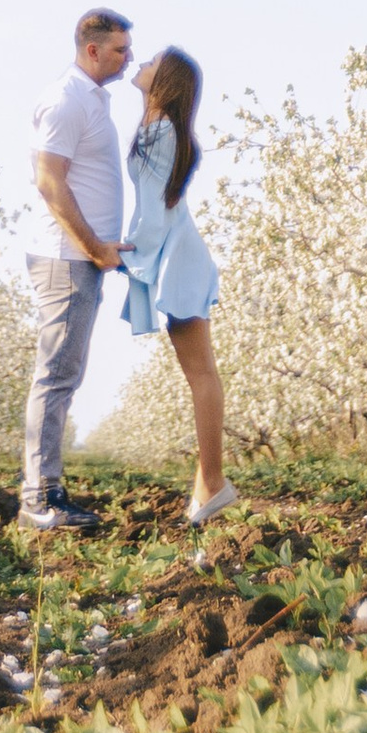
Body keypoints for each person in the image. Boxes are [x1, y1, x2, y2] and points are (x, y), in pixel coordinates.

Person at [23, 5, 132, 528]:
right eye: (120, 50)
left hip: (77, 258)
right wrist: (93, 247)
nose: (128, 58)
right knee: (56, 375)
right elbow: (49, 180)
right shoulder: (67, 100)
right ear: (93, 49)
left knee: (64, 373)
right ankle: (40, 498)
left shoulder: (90, 100)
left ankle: (46, 490)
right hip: (66, 258)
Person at [122, 46, 235, 523]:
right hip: (180, 255)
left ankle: (214, 482)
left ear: (165, 81)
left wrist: (125, 253)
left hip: (178, 260)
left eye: (150, 63)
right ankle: (205, 486)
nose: (140, 64)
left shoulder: (160, 132)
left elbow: (153, 213)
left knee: (201, 375)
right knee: (201, 374)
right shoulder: (161, 129)